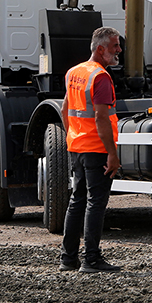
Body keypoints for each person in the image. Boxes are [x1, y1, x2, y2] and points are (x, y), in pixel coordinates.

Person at [59, 26, 123, 273]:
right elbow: (101, 118)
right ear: (100, 49)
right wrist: (112, 154)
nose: (119, 50)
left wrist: (73, 136)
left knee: (77, 201)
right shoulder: (100, 77)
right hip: (97, 149)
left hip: (77, 146)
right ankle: (92, 260)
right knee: (96, 203)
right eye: (115, 46)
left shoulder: (74, 72)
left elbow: (66, 109)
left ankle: (68, 259)